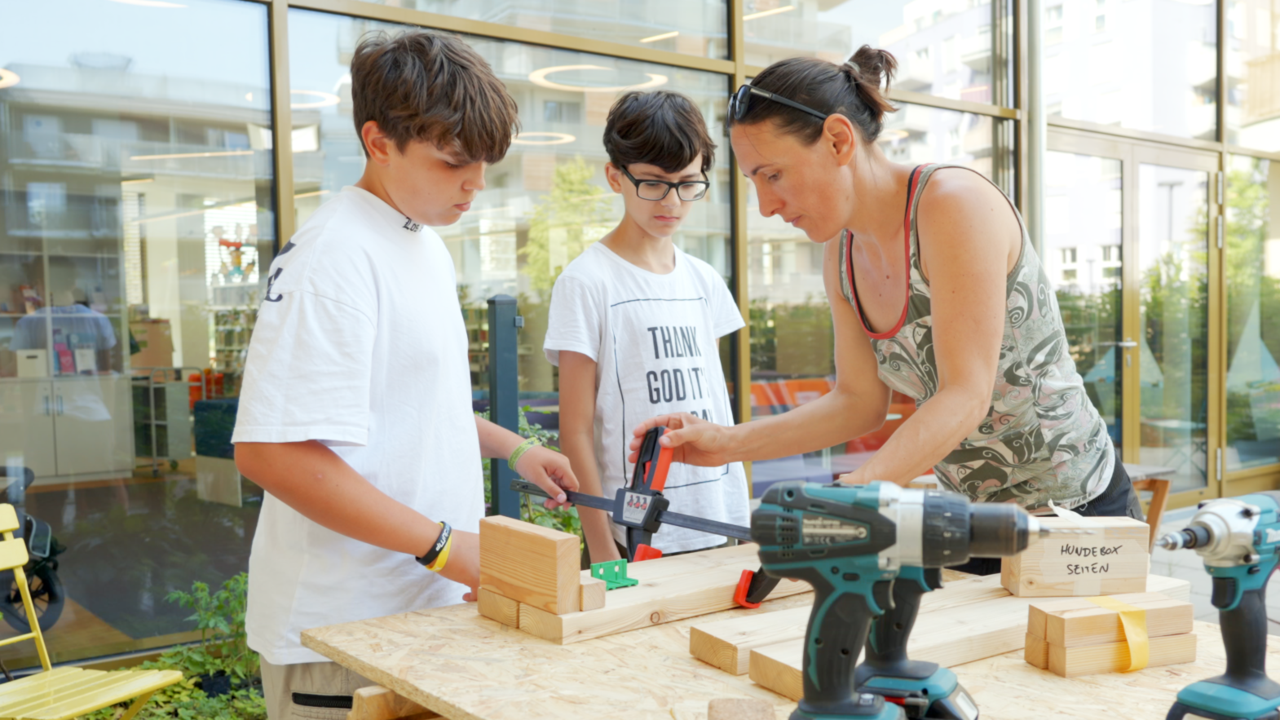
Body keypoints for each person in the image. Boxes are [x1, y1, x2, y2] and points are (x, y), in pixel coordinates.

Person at [631, 47, 1143, 574]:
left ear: (838, 140)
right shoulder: (841, 252)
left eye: (774, 174)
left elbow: (966, 392)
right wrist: (725, 443)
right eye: (754, 182)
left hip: (1075, 513)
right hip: (968, 522)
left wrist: (859, 491)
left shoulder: (952, 203)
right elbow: (858, 402)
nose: (765, 205)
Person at [231, 30, 578, 719]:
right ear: (378, 141)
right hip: (338, 637)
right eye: (453, 162)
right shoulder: (332, 259)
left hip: (421, 613)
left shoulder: (420, 242)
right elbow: (270, 452)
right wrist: (448, 551)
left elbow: (411, 405)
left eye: (483, 162)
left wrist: (517, 449)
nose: (475, 184)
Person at [544, 91, 749, 566]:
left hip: (719, 519)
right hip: (633, 534)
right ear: (615, 176)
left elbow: (716, 405)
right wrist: (601, 549)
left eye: (688, 184)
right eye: (654, 183)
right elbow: (574, 430)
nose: (672, 201)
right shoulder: (586, 281)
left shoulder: (703, 279)